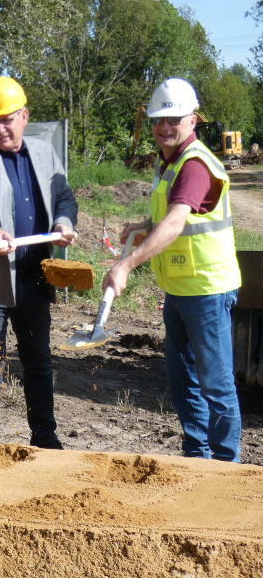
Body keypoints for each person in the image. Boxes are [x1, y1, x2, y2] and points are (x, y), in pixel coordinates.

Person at [103, 77, 242, 462]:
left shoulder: (195, 165)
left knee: (216, 383)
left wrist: (127, 264)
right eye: (157, 119)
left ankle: (225, 465)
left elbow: (178, 221)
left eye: (173, 118)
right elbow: (171, 216)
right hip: (180, 288)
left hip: (208, 290)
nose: (164, 126)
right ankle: (197, 457)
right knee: (183, 381)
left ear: (192, 120)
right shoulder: (169, 162)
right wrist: (145, 225)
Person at [0, 76, 78, 448]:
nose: (0, 128)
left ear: (24, 116)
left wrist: (64, 221)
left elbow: (64, 195)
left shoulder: (43, 152)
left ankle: (45, 439)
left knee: (38, 362)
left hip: (34, 278)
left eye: (7, 119)